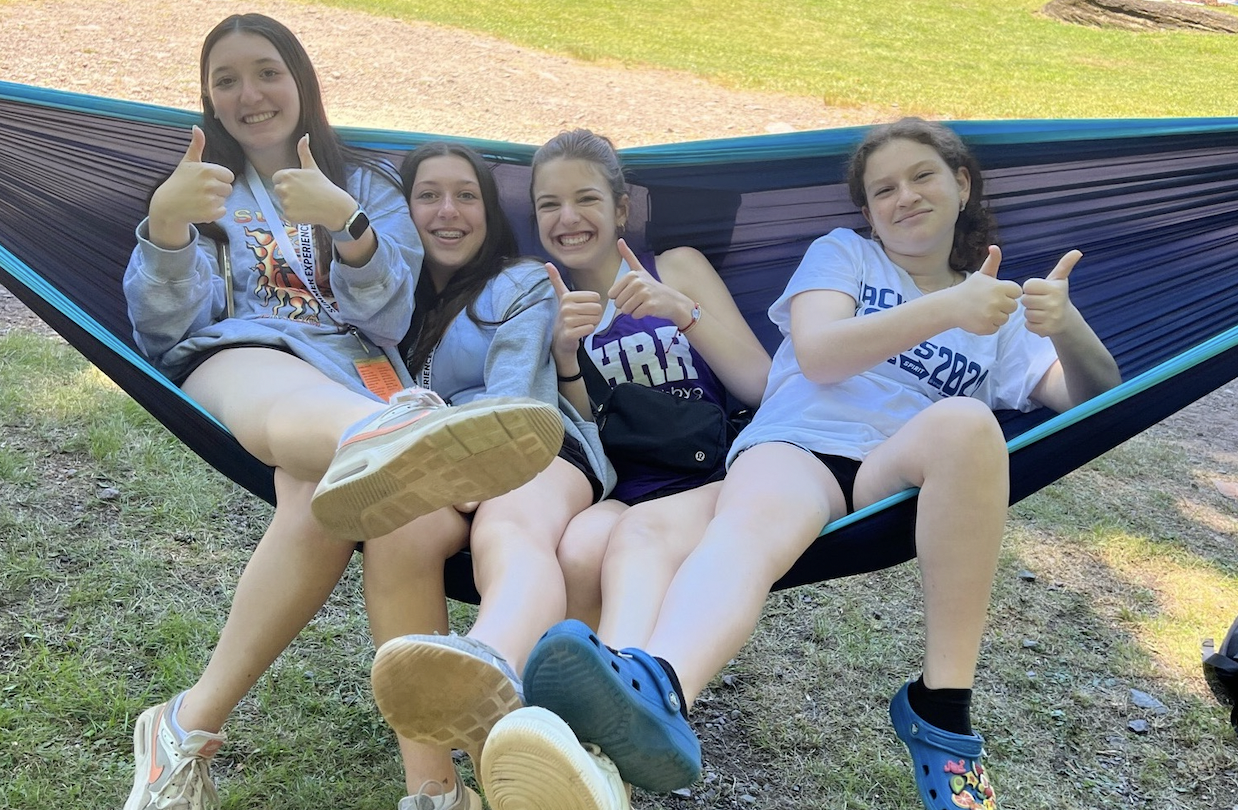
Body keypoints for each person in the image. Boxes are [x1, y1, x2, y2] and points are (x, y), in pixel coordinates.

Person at [509, 117, 1121, 810]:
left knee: (968, 423)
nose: (904, 197)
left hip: (889, 469)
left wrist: (1065, 323)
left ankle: (941, 706)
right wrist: (949, 308)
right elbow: (822, 354)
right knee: (646, 534)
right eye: (883, 188)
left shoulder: (996, 312)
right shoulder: (844, 257)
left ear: (961, 183)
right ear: (866, 211)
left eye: (922, 177)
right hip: (798, 446)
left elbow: (1097, 401)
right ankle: (611, 731)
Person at [121, 14, 557, 810]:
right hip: (241, 360)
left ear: (302, 80)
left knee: (382, 516)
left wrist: (345, 224)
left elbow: (390, 316)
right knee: (350, 440)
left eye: (267, 71)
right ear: (210, 100)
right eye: (227, 79)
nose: (249, 93)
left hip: (359, 374)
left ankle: (201, 730)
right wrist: (168, 225)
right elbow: (164, 329)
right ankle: (398, 438)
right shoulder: (198, 184)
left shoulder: (365, 182)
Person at [477, 128, 771, 810]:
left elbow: (758, 383)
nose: (567, 218)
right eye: (549, 205)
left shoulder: (677, 267)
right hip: (628, 486)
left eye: (585, 199)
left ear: (621, 209)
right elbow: (594, 438)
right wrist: (567, 356)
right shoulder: (550, 302)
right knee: (580, 546)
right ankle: (564, 736)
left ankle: (596, 752)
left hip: (713, 480)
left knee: (626, 542)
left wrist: (683, 314)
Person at [362, 142, 613, 810]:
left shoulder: (522, 281)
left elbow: (515, 396)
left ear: (488, 212)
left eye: (466, 195)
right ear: (400, 209)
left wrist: (470, 469)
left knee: (507, 526)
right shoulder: (384, 298)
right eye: (428, 195)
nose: (448, 211)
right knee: (397, 533)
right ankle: (435, 793)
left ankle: (490, 661)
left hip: (533, 449)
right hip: (434, 468)